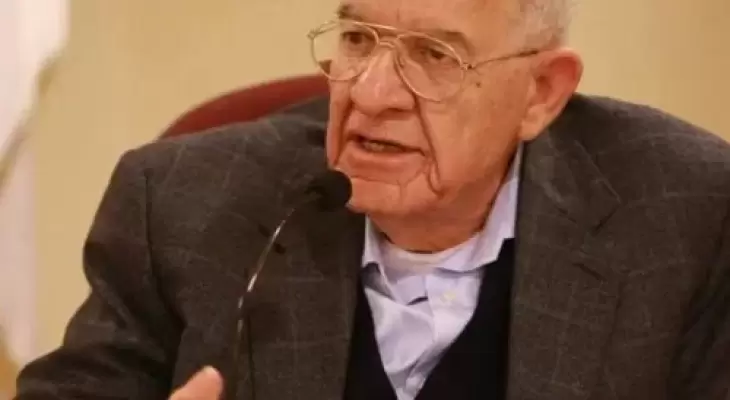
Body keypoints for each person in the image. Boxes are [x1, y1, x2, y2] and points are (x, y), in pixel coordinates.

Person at [14, 0, 730, 398]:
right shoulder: (185, 202)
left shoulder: (682, 214)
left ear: (541, 93)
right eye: (359, 38)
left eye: (434, 56)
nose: (372, 92)